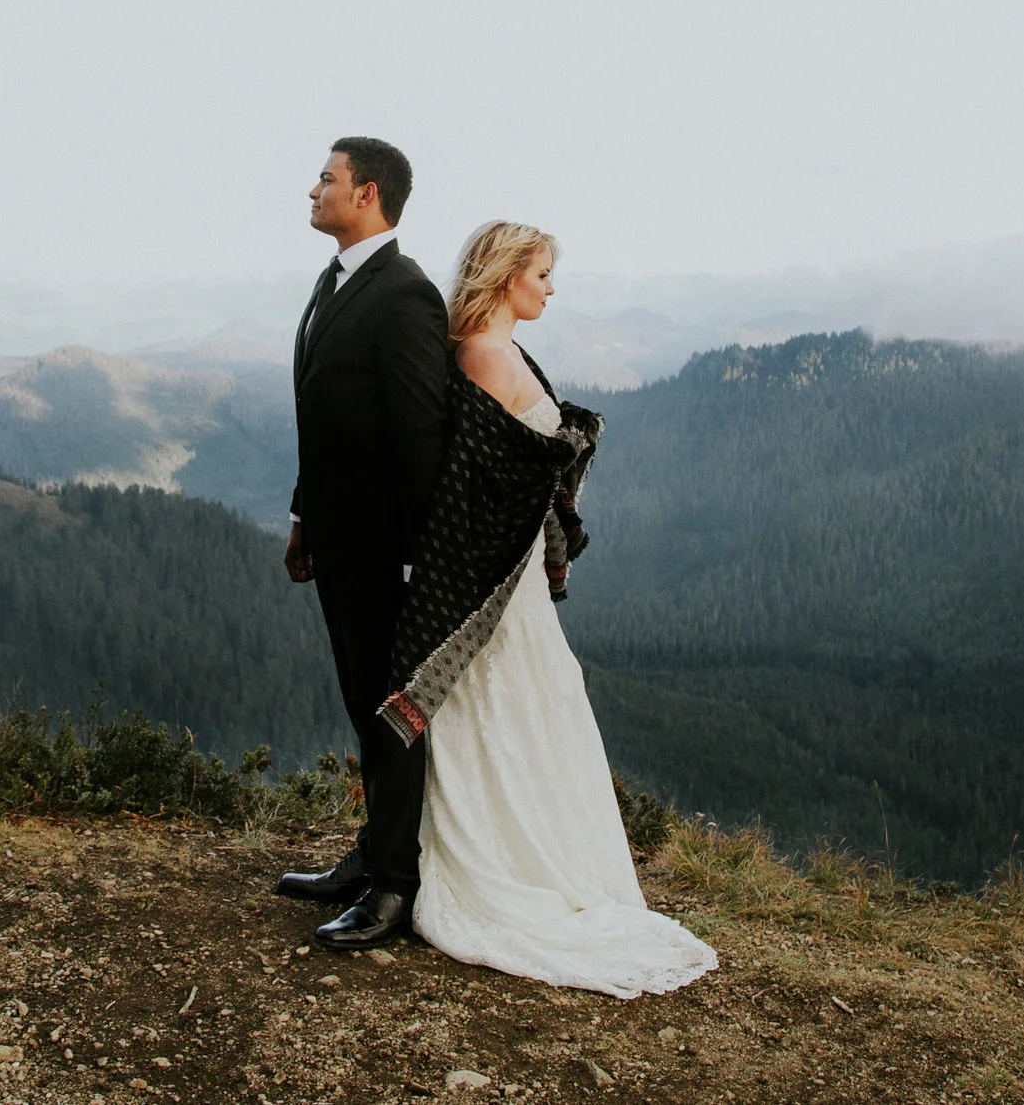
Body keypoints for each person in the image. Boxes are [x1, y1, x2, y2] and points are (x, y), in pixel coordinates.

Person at [386, 221, 718, 997]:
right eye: (541, 272)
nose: (550, 286)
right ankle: (511, 864)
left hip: (522, 574)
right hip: (501, 583)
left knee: (538, 707)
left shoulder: (497, 348)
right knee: (511, 710)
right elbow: (482, 484)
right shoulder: (483, 354)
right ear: (507, 274)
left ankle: (540, 854)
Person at [271, 137, 449, 950]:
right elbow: (329, 418)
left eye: (327, 178)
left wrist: (418, 556)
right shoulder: (336, 277)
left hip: (387, 550)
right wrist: (307, 516)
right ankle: (370, 854)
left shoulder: (405, 293)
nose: (313, 189)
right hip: (340, 538)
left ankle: (395, 887)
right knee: (359, 699)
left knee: (389, 712)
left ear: (367, 193)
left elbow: (420, 432)